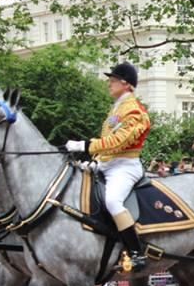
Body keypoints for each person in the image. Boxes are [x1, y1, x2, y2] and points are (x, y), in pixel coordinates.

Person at [65, 62, 152, 272]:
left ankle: (136, 252)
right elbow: (109, 142)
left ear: (126, 84)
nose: (109, 84)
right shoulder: (118, 107)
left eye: (113, 81)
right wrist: (95, 160)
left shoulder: (134, 110)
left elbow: (119, 141)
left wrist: (84, 145)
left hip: (125, 166)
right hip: (108, 164)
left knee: (113, 201)